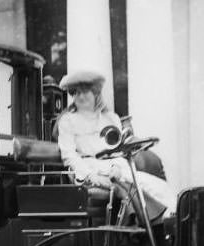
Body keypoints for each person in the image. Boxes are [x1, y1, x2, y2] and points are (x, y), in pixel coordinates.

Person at [56, 70, 175, 220]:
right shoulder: (67, 121)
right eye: (76, 93)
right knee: (136, 188)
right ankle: (144, 230)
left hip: (115, 168)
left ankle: (167, 227)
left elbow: (118, 150)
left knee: (157, 186)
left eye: (85, 92)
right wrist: (90, 176)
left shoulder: (110, 118)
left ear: (95, 93)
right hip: (88, 170)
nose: (80, 96)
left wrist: (118, 168)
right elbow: (69, 156)